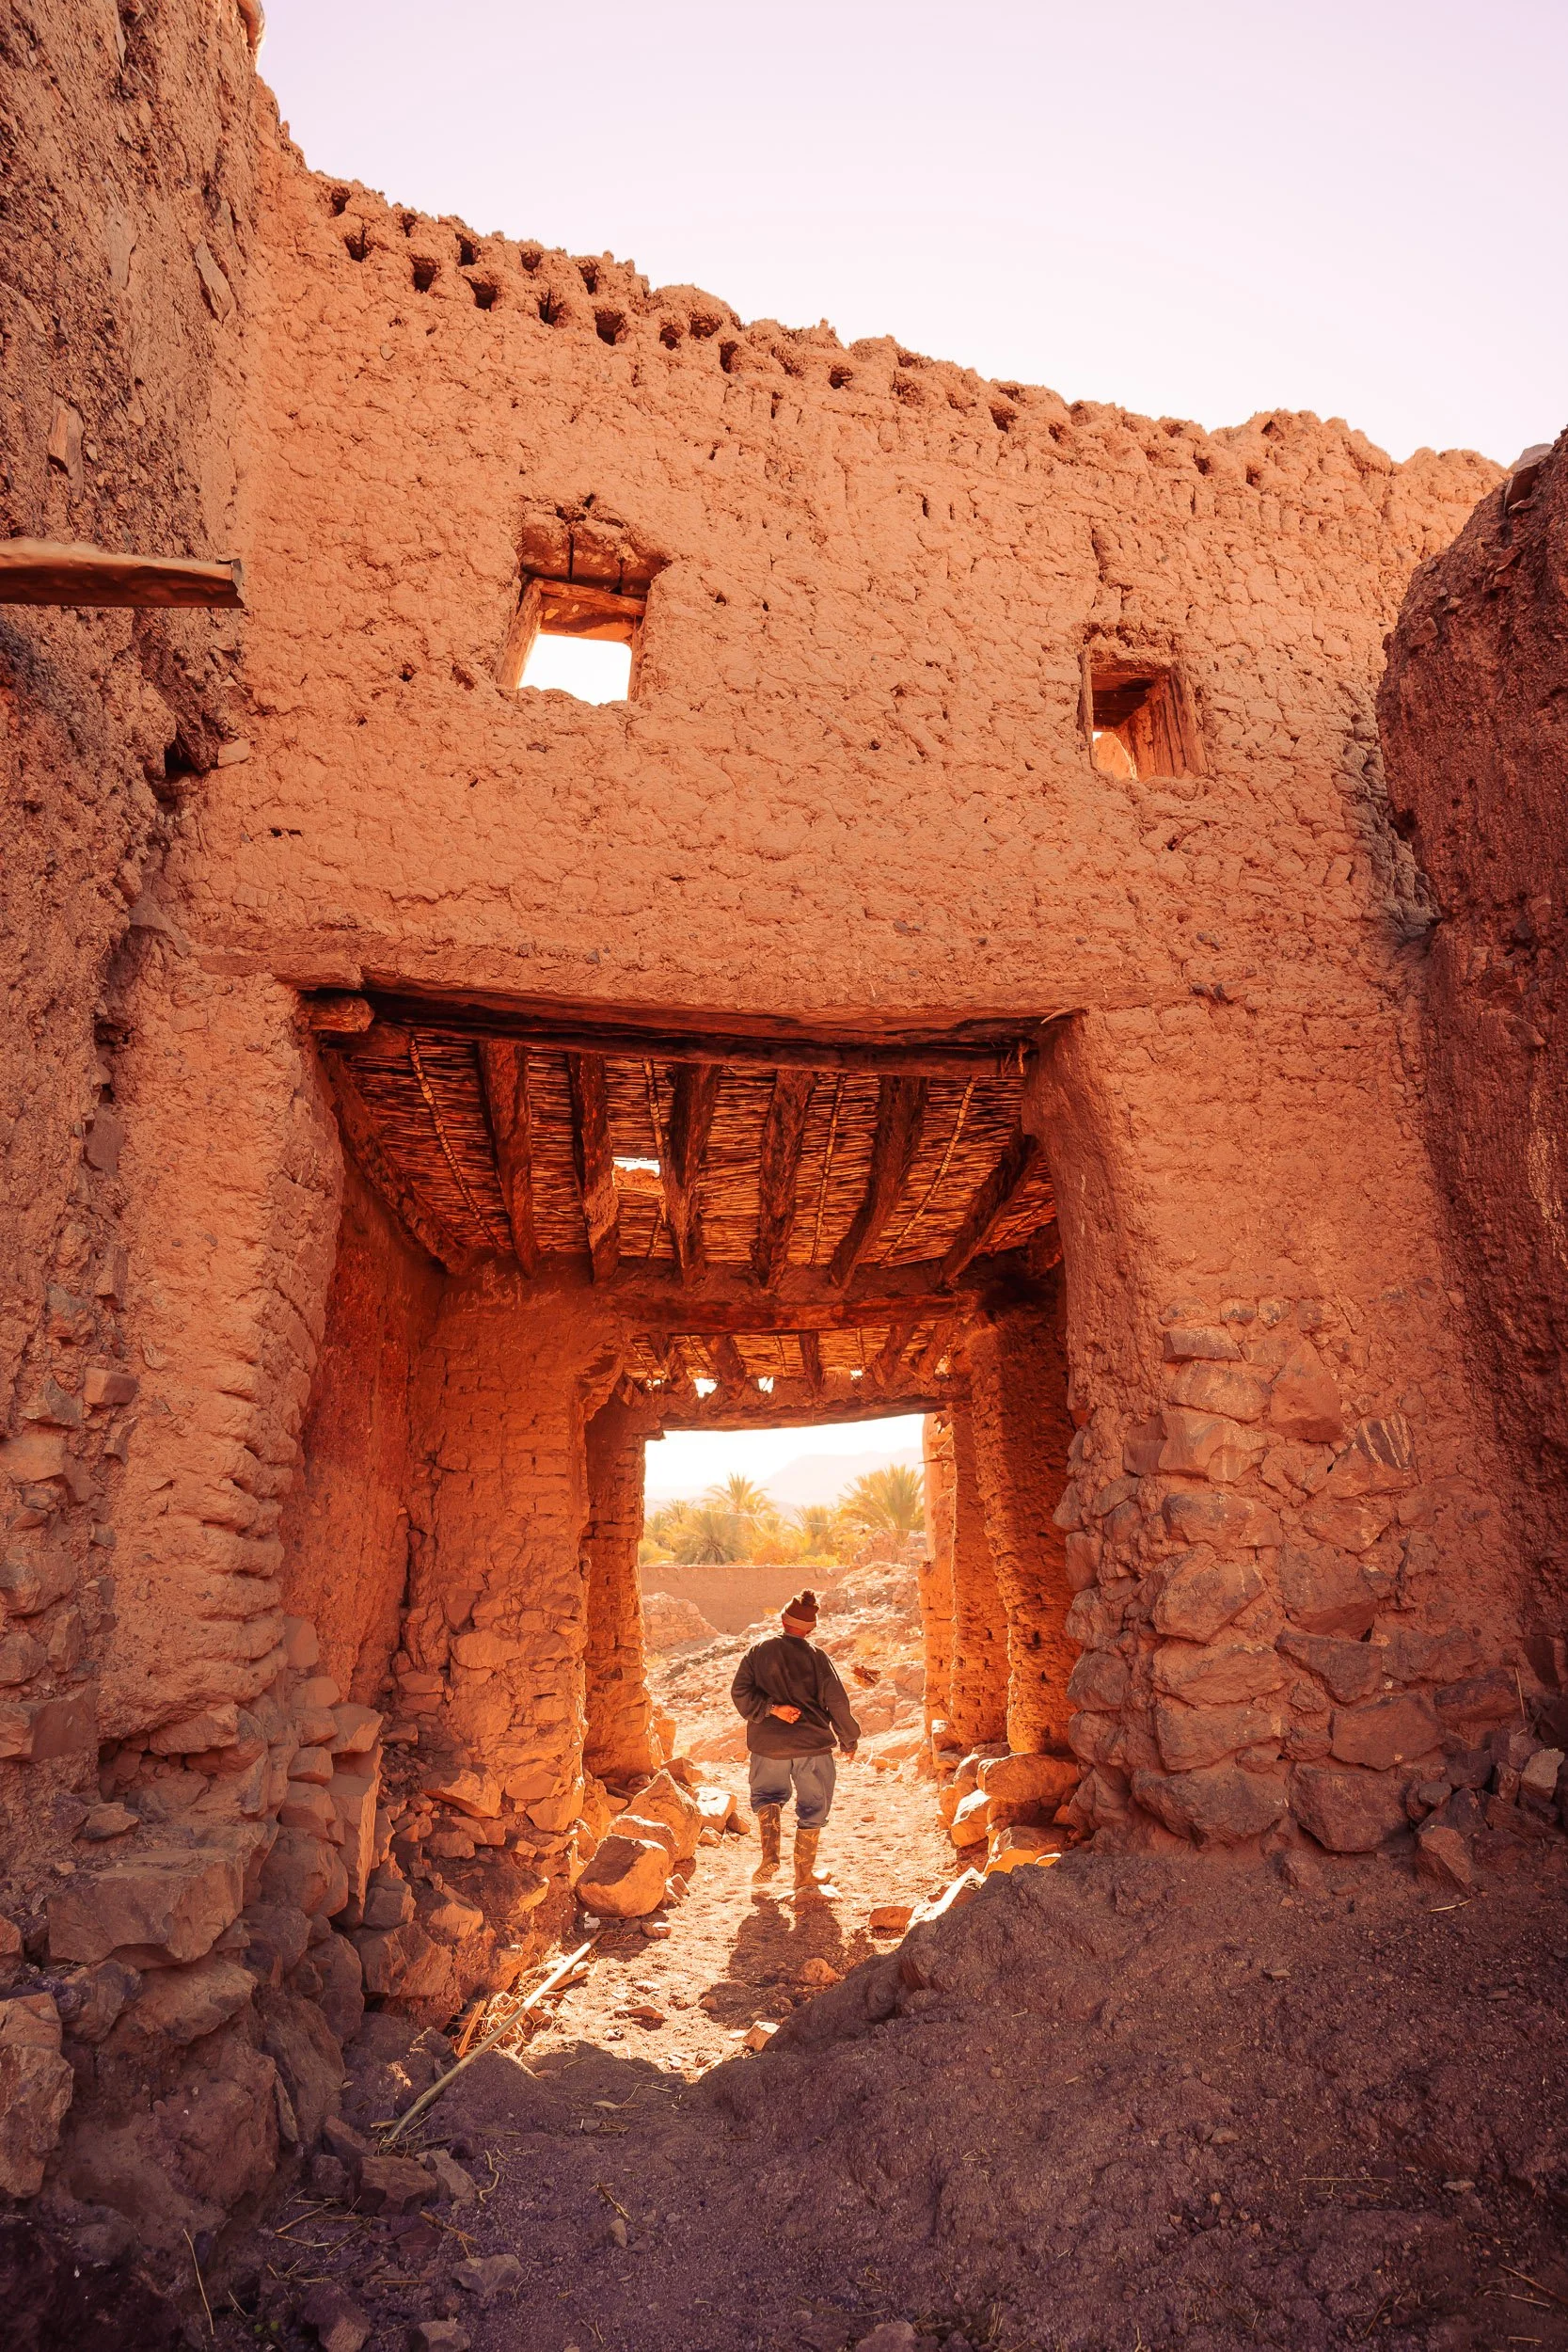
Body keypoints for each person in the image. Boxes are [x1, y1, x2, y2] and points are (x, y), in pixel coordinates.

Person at [730, 1589, 859, 1894]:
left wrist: (771, 1709)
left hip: (768, 1744)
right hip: (812, 1746)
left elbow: (740, 1692)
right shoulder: (817, 1657)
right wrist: (849, 1739)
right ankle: (803, 1875)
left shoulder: (758, 1651)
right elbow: (837, 1702)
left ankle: (770, 1856)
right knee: (814, 1806)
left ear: (783, 1620)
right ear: (810, 1628)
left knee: (767, 1797)